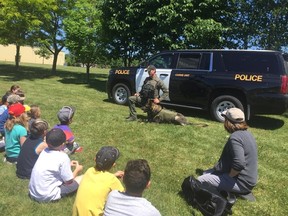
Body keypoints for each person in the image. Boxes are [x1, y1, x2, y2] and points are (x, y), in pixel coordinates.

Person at [197, 108, 258, 201]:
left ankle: (239, 191)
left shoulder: (235, 137)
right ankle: (235, 187)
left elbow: (239, 164)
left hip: (242, 183)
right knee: (206, 173)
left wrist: (227, 177)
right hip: (250, 180)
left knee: (200, 180)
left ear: (228, 122)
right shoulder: (248, 134)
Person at [29, 128, 83, 202]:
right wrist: (77, 170)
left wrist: (68, 165)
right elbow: (69, 181)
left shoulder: (44, 151)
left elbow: (51, 165)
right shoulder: (63, 157)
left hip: (33, 192)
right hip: (45, 196)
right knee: (82, 178)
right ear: (63, 144)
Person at [72, 146, 124, 216]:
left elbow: (100, 179)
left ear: (95, 159)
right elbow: (123, 195)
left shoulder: (89, 171)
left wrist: (114, 175)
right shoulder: (111, 180)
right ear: (113, 165)